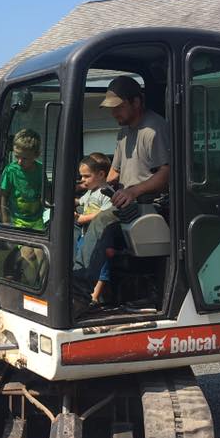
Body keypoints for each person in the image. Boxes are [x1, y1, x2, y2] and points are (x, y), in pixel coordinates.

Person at [73, 75, 171, 299]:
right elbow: (115, 172)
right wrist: (89, 188)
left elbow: (165, 175)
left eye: (119, 107)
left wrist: (133, 191)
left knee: (101, 221)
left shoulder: (153, 129)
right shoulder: (124, 132)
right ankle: (76, 277)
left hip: (148, 205)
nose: (113, 113)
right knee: (74, 218)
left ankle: (79, 291)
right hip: (126, 201)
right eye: (111, 108)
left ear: (136, 102)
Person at [75, 153, 113, 303]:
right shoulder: (91, 191)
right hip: (86, 235)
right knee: (85, 261)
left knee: (101, 267)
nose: (82, 180)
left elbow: (105, 213)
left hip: (101, 237)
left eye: (86, 176)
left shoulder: (106, 192)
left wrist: (82, 218)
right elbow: (81, 202)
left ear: (101, 174)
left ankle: (94, 297)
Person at [0, 128, 45, 230]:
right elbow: (3, 196)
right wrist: (5, 221)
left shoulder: (41, 170)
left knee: (41, 246)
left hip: (37, 220)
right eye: (17, 156)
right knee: (26, 247)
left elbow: (45, 194)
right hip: (17, 221)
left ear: (36, 155)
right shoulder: (11, 171)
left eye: (24, 158)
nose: (19, 161)